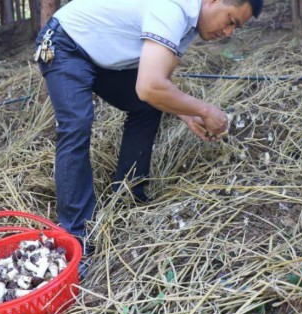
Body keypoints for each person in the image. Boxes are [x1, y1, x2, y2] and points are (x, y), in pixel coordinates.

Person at [35, 0, 263, 252]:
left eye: (235, 28)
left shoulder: (189, 25)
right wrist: (205, 109)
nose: (228, 32)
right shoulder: (173, 10)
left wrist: (186, 114)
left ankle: (128, 193)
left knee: (147, 105)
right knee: (76, 125)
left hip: (99, 55)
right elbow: (149, 86)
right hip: (66, 42)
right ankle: (75, 238)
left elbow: (160, 83)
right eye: (231, 21)